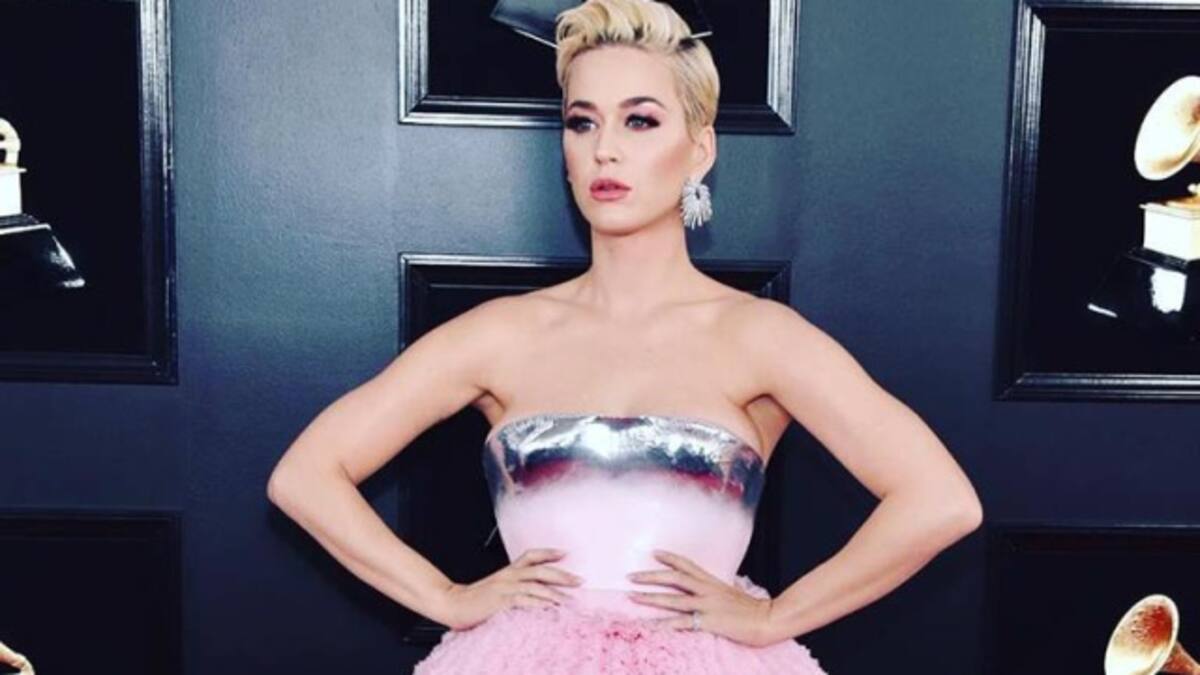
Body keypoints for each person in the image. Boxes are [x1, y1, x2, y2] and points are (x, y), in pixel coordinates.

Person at [266, 0, 984, 672]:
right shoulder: (500, 335)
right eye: (582, 123)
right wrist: (447, 598)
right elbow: (306, 476)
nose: (605, 149)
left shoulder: (761, 338)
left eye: (640, 121)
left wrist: (774, 617)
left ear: (698, 149)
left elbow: (939, 499)